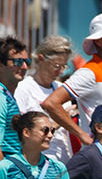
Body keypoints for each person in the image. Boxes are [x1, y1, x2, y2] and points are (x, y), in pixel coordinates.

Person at [42, 12, 102, 160]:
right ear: (98, 41)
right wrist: (81, 134)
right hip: (99, 153)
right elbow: (51, 103)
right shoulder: (89, 72)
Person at [14, 35, 72, 165]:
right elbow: (19, 131)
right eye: (57, 65)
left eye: (64, 66)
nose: (60, 72)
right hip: (37, 164)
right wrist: (59, 121)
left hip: (64, 163)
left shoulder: (61, 88)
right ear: (41, 59)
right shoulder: (23, 89)